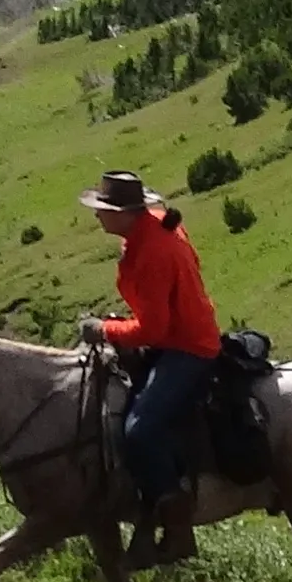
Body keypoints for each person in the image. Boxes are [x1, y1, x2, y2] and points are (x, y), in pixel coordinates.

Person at [81, 164, 223, 539]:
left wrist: (104, 329)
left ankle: (174, 517)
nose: (96, 214)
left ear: (124, 214)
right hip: (181, 335)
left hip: (186, 348)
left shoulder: (151, 251)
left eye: (103, 209)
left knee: (140, 430)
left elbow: (153, 330)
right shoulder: (156, 226)